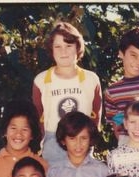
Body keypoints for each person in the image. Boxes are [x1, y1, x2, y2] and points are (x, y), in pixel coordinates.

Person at [32, 21, 102, 166]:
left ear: (77, 48)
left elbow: (96, 114)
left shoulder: (91, 79)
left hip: (82, 141)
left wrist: (89, 139)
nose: (63, 52)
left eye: (68, 46)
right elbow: (37, 116)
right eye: (58, 47)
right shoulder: (41, 80)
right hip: (53, 143)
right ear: (51, 49)